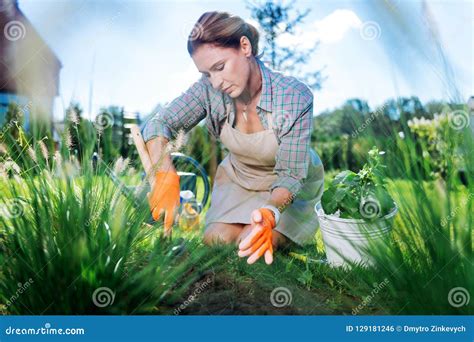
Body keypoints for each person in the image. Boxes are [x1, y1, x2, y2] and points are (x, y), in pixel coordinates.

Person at [143, 11, 324, 265]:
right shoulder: (209, 90)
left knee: (251, 246)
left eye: (219, 67)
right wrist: (164, 173)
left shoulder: (294, 97)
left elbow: (291, 175)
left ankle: (286, 235)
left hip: (287, 186)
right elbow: (159, 123)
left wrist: (270, 213)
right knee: (215, 241)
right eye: (207, 74)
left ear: (245, 46)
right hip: (240, 177)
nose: (215, 82)